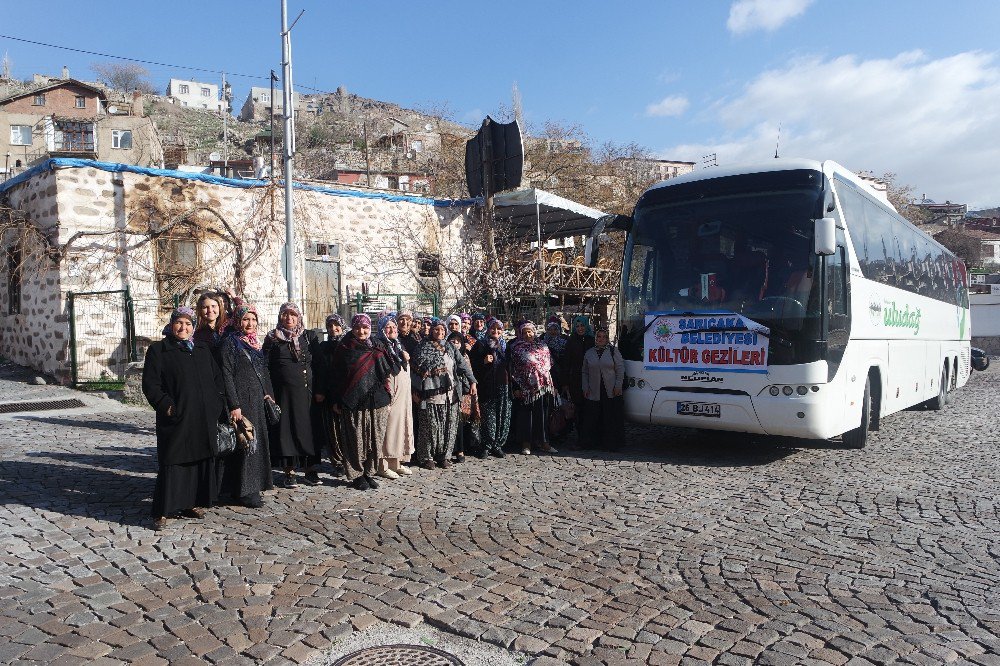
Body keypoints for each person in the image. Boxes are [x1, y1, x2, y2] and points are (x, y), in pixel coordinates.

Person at [142, 307, 226, 531]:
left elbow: (217, 379)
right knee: (173, 460)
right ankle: (162, 510)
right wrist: (166, 406)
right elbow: (151, 385)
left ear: (193, 326)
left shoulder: (201, 348)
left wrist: (216, 404)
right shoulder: (159, 350)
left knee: (199, 458)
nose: (184, 328)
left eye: (188, 324)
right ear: (171, 325)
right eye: (179, 323)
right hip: (177, 418)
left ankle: (192, 502)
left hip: (202, 418)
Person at [219, 302, 275, 507]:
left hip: (257, 401)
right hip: (242, 401)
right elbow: (226, 375)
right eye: (245, 319)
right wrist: (234, 404)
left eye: (253, 319)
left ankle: (253, 485)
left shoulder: (255, 343)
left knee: (256, 443)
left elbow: (263, 371)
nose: (250, 323)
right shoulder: (230, 343)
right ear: (237, 321)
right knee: (246, 443)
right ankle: (245, 490)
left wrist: (269, 394)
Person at [330, 314, 393, 490]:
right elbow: (336, 377)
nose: (361, 331)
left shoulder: (378, 346)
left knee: (375, 438)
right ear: (352, 328)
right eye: (357, 327)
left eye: (365, 327)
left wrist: (388, 397)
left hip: (377, 400)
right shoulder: (344, 348)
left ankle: (369, 472)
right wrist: (336, 400)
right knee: (355, 439)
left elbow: (386, 372)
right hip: (353, 401)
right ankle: (357, 474)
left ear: (370, 328)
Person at [263, 302, 318, 488]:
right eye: (285, 315)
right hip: (283, 393)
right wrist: (268, 393)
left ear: (299, 317)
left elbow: (317, 364)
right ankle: (289, 472)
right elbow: (266, 366)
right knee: (286, 431)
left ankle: (310, 470)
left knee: (308, 431)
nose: (289, 318)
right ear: (280, 317)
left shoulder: (308, 337)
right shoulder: (272, 338)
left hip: (306, 393)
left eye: (293, 315)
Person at [412, 318, 476, 469]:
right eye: (436, 329)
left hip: (451, 393)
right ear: (431, 330)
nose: (439, 332)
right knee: (431, 426)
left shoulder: (450, 347)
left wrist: (473, 381)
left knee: (450, 425)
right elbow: (415, 370)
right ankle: (426, 457)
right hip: (431, 393)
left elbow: (462, 364)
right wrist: (414, 391)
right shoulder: (422, 347)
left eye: (442, 330)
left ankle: (444, 456)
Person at [508, 321, 558, 455]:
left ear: (534, 332)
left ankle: (544, 442)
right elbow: (513, 369)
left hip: (543, 387)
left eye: (529, 331)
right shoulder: (516, 348)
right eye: (524, 332)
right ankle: (526, 444)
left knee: (542, 415)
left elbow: (549, 365)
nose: (527, 334)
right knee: (526, 416)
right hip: (526, 388)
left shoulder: (543, 346)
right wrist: (516, 387)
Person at [376, 314, 415, 478]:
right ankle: (382, 465)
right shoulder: (380, 346)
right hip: (391, 391)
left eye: (393, 327)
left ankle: (396, 462)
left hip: (403, 393)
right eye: (388, 327)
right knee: (389, 426)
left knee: (401, 425)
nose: (392, 330)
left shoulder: (396, 345)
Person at [313, 314, 347, 477]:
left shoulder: (349, 344)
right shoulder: (323, 347)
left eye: (336, 325)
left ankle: (351, 460)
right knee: (333, 431)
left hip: (347, 394)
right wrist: (321, 391)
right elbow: (320, 371)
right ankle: (337, 462)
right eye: (330, 326)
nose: (333, 329)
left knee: (348, 430)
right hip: (329, 394)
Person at [470, 317, 510, 458]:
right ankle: (486, 445)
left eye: (499, 329)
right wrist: (483, 361)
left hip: (503, 385)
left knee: (502, 415)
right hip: (487, 385)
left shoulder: (506, 346)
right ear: (488, 329)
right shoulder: (480, 344)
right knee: (488, 416)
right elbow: (473, 365)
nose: (496, 331)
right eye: (493, 328)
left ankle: (497, 445)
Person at [581, 327, 626, 450]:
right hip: (594, 390)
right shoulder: (589, 352)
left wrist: (618, 386)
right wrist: (585, 387)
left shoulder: (613, 351)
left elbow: (620, 369)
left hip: (610, 390)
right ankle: (593, 443)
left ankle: (610, 444)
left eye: (604, 337)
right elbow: (584, 372)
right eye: (598, 336)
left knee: (610, 417)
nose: (601, 339)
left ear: (607, 339)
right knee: (594, 417)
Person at [447, 331, 480, 462]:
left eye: (458, 341)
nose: (455, 343)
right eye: (452, 341)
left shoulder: (464, 356)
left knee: (460, 422)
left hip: (461, 392)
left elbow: (469, 372)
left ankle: (460, 450)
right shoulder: (444, 354)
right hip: (446, 391)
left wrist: (473, 383)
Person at [563, 315, 595, 446]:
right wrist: (565, 383)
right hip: (576, 380)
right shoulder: (571, 341)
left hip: (592, 379)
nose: (580, 328)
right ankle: (581, 438)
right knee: (579, 409)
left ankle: (592, 438)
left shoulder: (592, 340)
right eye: (577, 326)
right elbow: (566, 362)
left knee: (591, 409)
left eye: (582, 325)